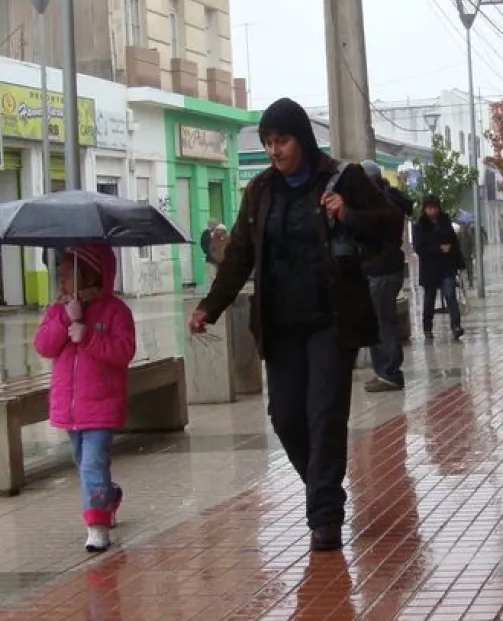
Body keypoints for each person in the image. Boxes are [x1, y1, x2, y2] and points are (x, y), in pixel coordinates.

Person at [187, 98, 403, 552]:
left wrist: (348, 214)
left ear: (301, 139)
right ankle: (323, 489)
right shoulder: (261, 191)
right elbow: (240, 255)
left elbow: (389, 225)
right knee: (286, 418)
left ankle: (324, 516)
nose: (273, 150)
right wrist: (211, 305)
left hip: (331, 321)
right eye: (267, 142)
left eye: (281, 140)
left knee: (324, 416)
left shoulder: (343, 178)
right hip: (281, 325)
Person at [34, 243, 135, 553]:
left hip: (102, 404)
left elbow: (123, 352)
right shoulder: (57, 310)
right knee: (85, 463)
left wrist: (89, 335)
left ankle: (97, 525)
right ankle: (109, 496)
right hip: (71, 409)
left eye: (69, 275)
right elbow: (43, 346)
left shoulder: (115, 311)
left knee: (92, 464)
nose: (61, 282)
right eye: (60, 275)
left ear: (92, 275)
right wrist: (66, 320)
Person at [360, 160, 411, 393]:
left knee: (382, 322)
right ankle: (385, 371)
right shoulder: (389, 199)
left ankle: (389, 372)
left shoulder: (379, 203)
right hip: (387, 267)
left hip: (381, 269)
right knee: (380, 321)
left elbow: (369, 234)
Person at [413, 195, 465, 341]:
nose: (432, 211)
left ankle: (456, 326)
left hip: (446, 267)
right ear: (424, 210)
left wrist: (459, 263)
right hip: (430, 269)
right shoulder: (419, 226)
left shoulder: (445, 222)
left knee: (450, 295)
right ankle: (427, 327)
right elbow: (419, 248)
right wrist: (438, 249)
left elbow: (454, 243)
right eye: (429, 208)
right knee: (429, 299)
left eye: (434, 207)